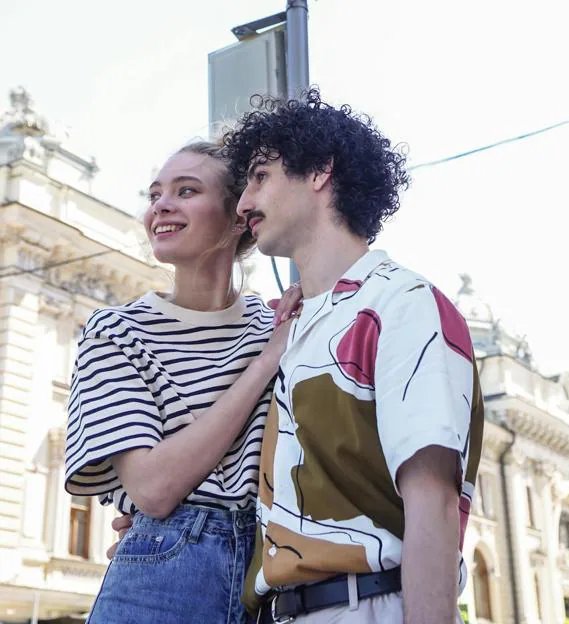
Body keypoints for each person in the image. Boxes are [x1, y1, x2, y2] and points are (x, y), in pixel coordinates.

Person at [222, 88, 485, 624]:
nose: (244, 202)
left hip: (367, 605)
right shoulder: (289, 330)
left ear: (319, 170)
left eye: (261, 176)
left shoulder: (402, 304)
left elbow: (432, 501)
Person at [64, 141, 300, 624]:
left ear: (239, 217)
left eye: (186, 190)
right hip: (163, 567)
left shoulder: (279, 323)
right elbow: (153, 488)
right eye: (155, 195)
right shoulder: (115, 331)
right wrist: (264, 363)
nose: (161, 206)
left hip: (278, 571)